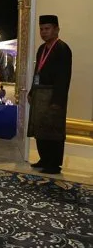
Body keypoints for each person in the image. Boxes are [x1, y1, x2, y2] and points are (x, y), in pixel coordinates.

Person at [28, 15, 72, 175]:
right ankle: (44, 159)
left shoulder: (62, 49)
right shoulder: (42, 49)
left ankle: (54, 164)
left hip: (54, 96)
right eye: (41, 29)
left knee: (53, 128)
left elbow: (63, 77)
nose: (43, 32)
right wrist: (33, 91)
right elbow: (37, 73)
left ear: (56, 29)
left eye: (47, 29)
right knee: (41, 128)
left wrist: (57, 101)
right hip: (40, 95)